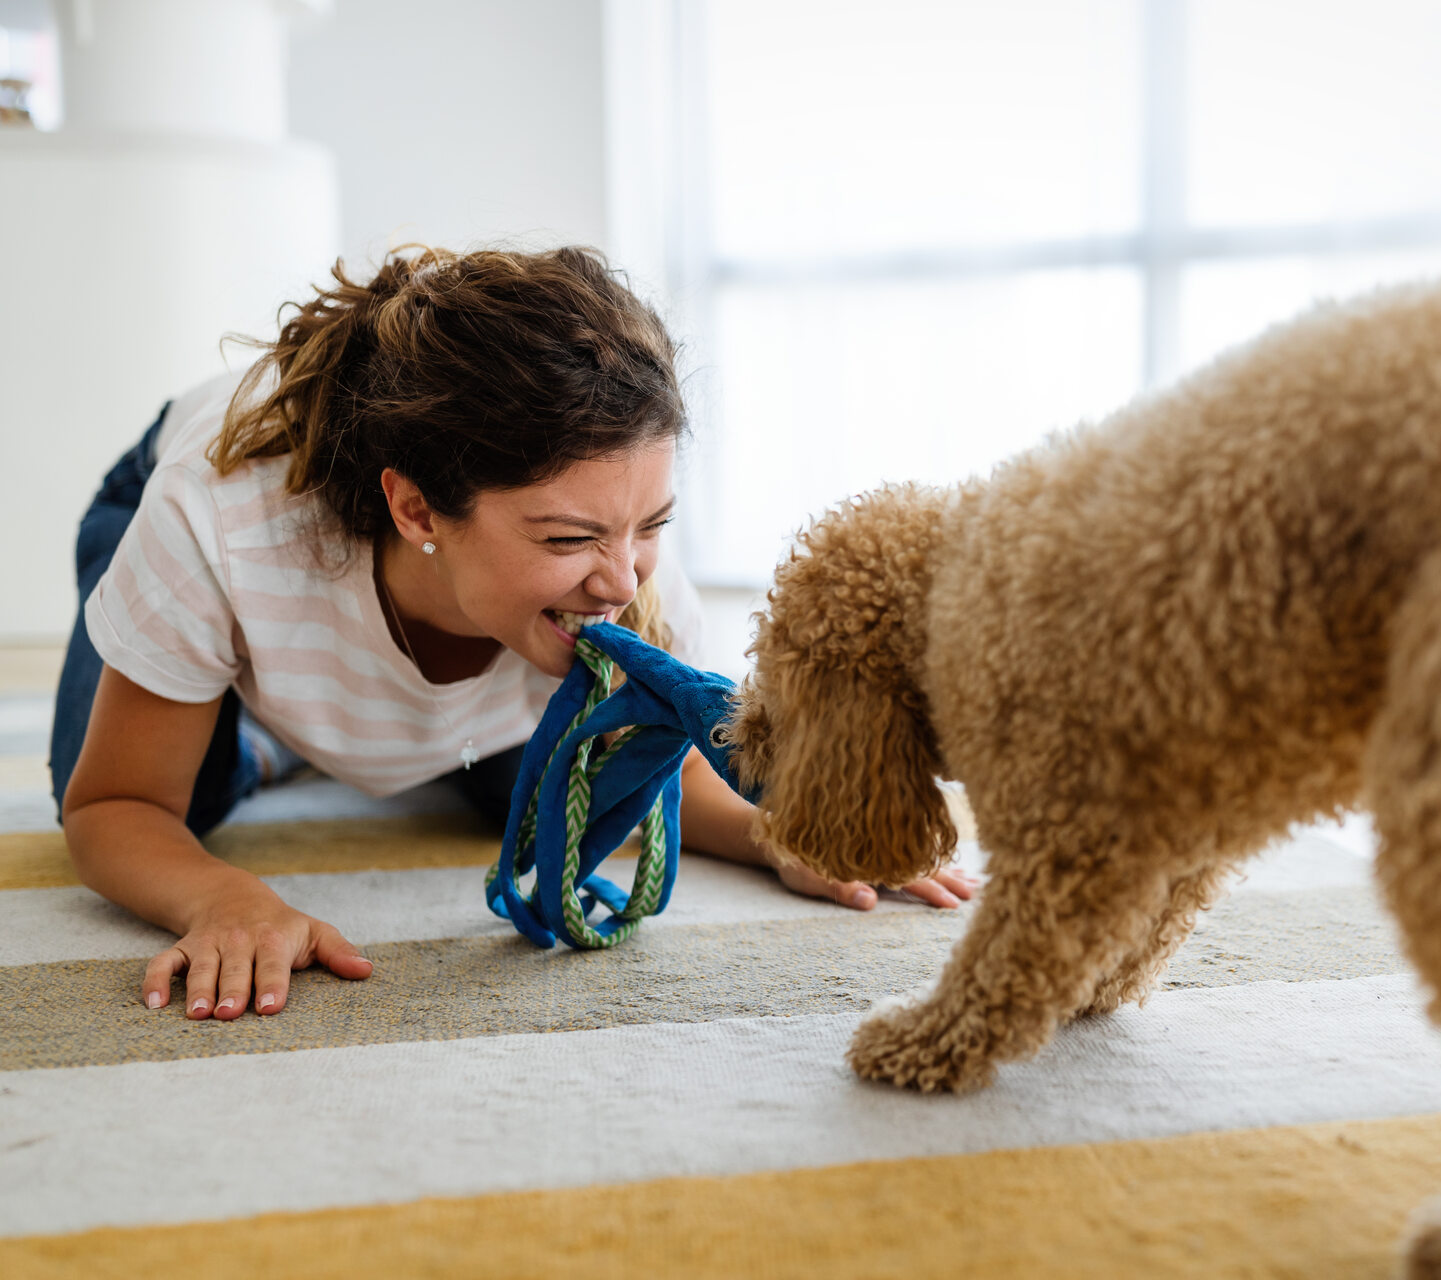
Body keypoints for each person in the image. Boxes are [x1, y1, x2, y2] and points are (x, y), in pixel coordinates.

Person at [51, 245, 975, 1022]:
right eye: (568, 539)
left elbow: (669, 761)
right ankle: (259, 733)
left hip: (441, 622)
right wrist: (225, 898)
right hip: (162, 485)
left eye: (652, 523)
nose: (620, 579)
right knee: (180, 787)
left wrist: (773, 833)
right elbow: (112, 808)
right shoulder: (216, 524)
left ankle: (341, 723)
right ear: (414, 505)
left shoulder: (622, 560)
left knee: (550, 779)